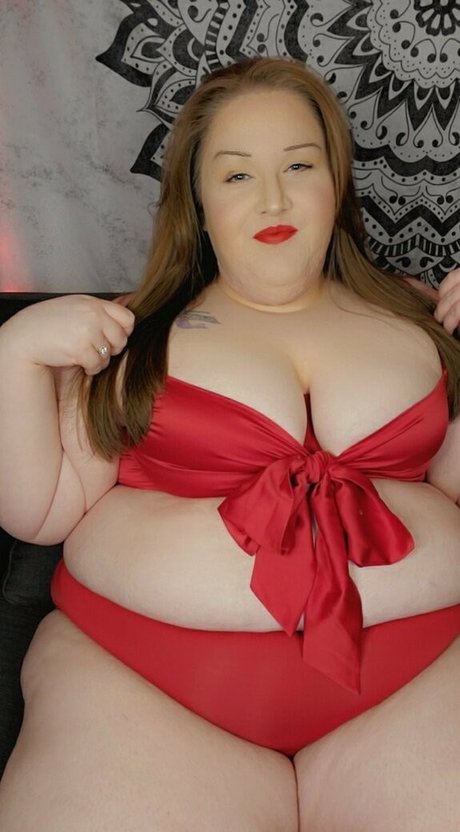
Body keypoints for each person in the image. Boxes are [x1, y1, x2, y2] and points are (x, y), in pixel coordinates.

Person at [0, 57, 459, 831]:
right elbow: (39, 511)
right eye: (238, 175)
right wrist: (13, 356)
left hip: (420, 688)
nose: (273, 198)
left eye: (299, 166)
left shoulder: (417, 314)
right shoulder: (128, 331)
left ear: (336, 183)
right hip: (145, 693)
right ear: (199, 202)